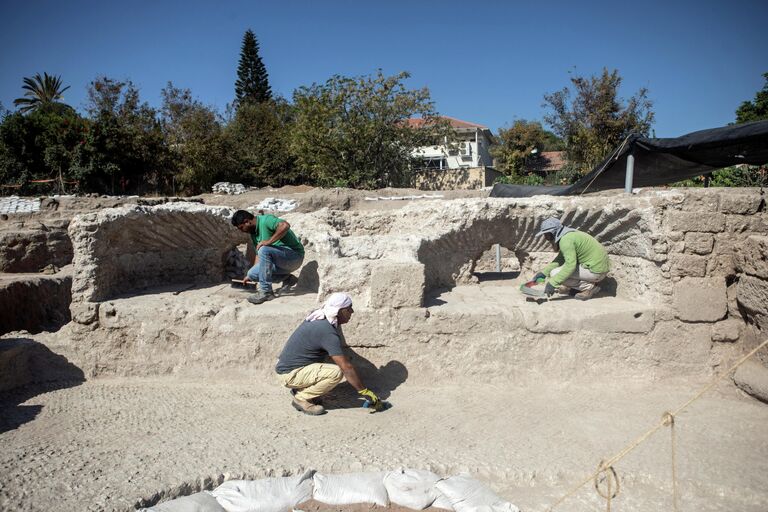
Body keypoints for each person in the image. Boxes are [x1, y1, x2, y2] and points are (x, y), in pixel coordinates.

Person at [275, 292, 382, 416]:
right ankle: (301, 398)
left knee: (328, 363)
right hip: (290, 374)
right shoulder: (327, 331)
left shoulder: (321, 317)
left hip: (290, 370)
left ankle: (301, 389)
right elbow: (346, 368)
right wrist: (364, 391)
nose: (352, 312)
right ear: (340, 311)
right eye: (349, 309)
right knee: (337, 372)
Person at [231, 209, 305, 305]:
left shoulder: (266, 220)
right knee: (252, 274)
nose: (242, 231)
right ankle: (288, 279)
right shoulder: (254, 233)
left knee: (264, 249)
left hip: (294, 257)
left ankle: (266, 292)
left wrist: (269, 241)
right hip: (279, 262)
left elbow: (285, 225)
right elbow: (259, 254)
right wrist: (250, 275)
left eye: (241, 228)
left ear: (247, 221)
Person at [532, 217, 610, 300]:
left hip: (596, 271)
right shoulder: (568, 235)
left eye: (547, 235)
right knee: (557, 273)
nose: (546, 238)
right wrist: (544, 273)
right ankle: (580, 287)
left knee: (554, 274)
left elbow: (570, 266)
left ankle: (589, 288)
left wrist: (552, 283)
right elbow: (560, 259)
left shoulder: (566, 240)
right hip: (596, 268)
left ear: (553, 232)